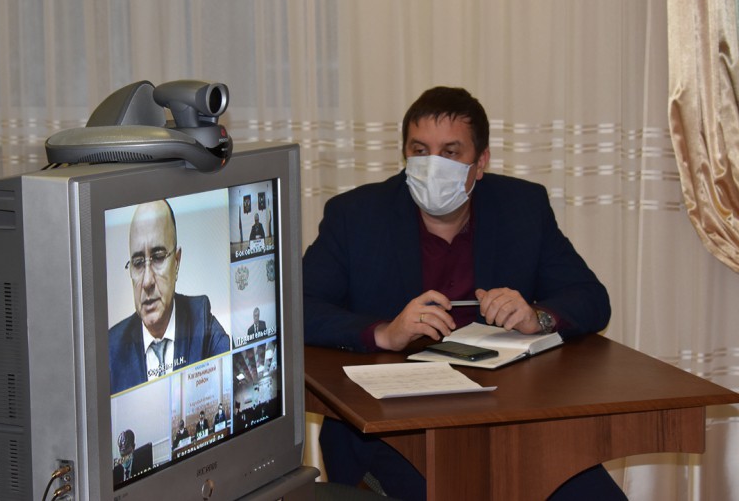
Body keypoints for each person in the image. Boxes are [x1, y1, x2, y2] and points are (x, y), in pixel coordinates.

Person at [302, 87, 624, 501]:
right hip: (396, 428)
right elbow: (299, 308)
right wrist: (383, 333)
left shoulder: (522, 207)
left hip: (511, 417)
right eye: (420, 151)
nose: (433, 165)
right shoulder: (356, 215)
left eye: (450, 153)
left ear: (481, 162)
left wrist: (537, 318)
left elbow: (591, 298)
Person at [109, 200, 230, 394]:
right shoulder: (111, 348)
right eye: (138, 263)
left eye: (158, 257)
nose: (147, 281)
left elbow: (232, 375)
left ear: (176, 262)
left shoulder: (201, 320)